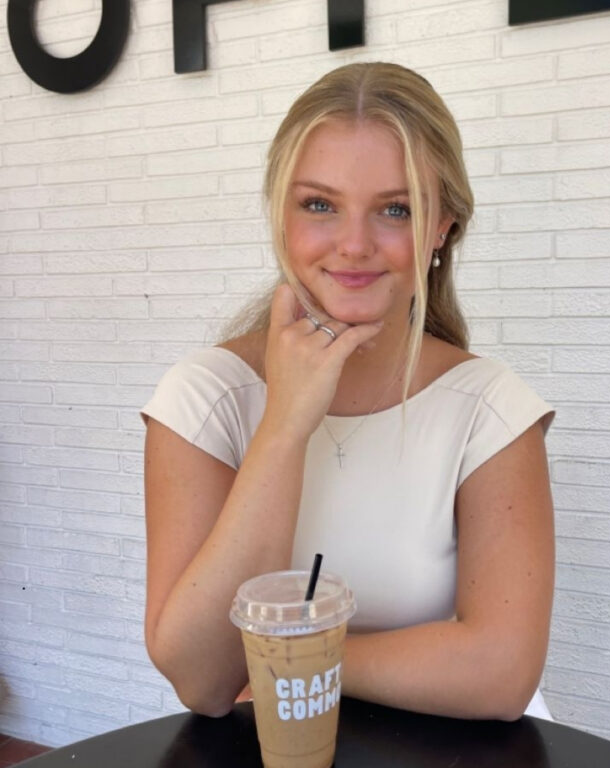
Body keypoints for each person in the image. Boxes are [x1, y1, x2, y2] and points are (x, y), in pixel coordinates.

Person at [141, 62, 555, 722]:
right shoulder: (206, 399)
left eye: (396, 209)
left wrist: (292, 662)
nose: (355, 245)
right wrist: (284, 426)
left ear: (441, 226)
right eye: (320, 205)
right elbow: (202, 678)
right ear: (280, 214)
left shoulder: (489, 409)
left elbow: (502, 673)